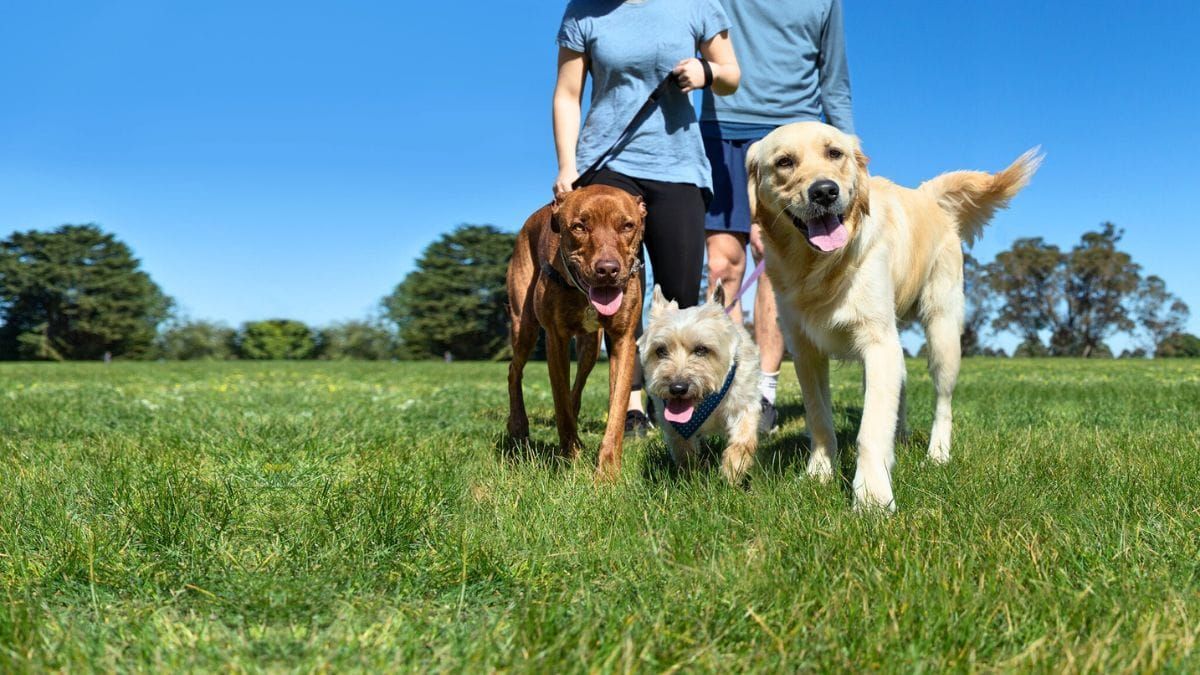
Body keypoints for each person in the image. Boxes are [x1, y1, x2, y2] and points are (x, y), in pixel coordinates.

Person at [554, 0, 741, 435]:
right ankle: (632, 405)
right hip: (607, 163)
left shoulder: (697, 5)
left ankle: (680, 395)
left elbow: (732, 75)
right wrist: (566, 166)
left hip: (678, 166)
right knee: (612, 286)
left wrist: (706, 73)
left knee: (679, 293)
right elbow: (567, 93)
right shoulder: (583, 11)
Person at [700, 0, 855, 433]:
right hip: (721, 130)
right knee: (722, 261)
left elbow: (834, 78)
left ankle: (764, 389)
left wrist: (850, 155)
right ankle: (729, 382)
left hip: (794, 133)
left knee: (774, 257)